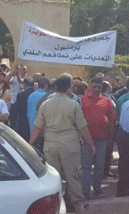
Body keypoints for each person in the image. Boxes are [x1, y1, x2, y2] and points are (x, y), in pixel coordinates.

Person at [29, 75, 95, 210]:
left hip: (50, 146)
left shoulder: (46, 104)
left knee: (54, 179)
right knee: (73, 177)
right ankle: (78, 206)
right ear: (69, 87)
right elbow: (83, 128)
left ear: (56, 87)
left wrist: (29, 145)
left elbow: (37, 127)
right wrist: (91, 144)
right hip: (70, 146)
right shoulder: (73, 104)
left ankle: (55, 207)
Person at [80, 77, 115, 197]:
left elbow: (111, 121)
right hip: (87, 139)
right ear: (90, 86)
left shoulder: (107, 101)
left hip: (102, 139)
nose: (96, 89)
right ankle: (85, 189)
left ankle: (97, 187)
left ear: (101, 88)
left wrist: (110, 138)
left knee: (100, 165)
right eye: (94, 86)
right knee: (86, 166)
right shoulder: (83, 100)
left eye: (98, 87)